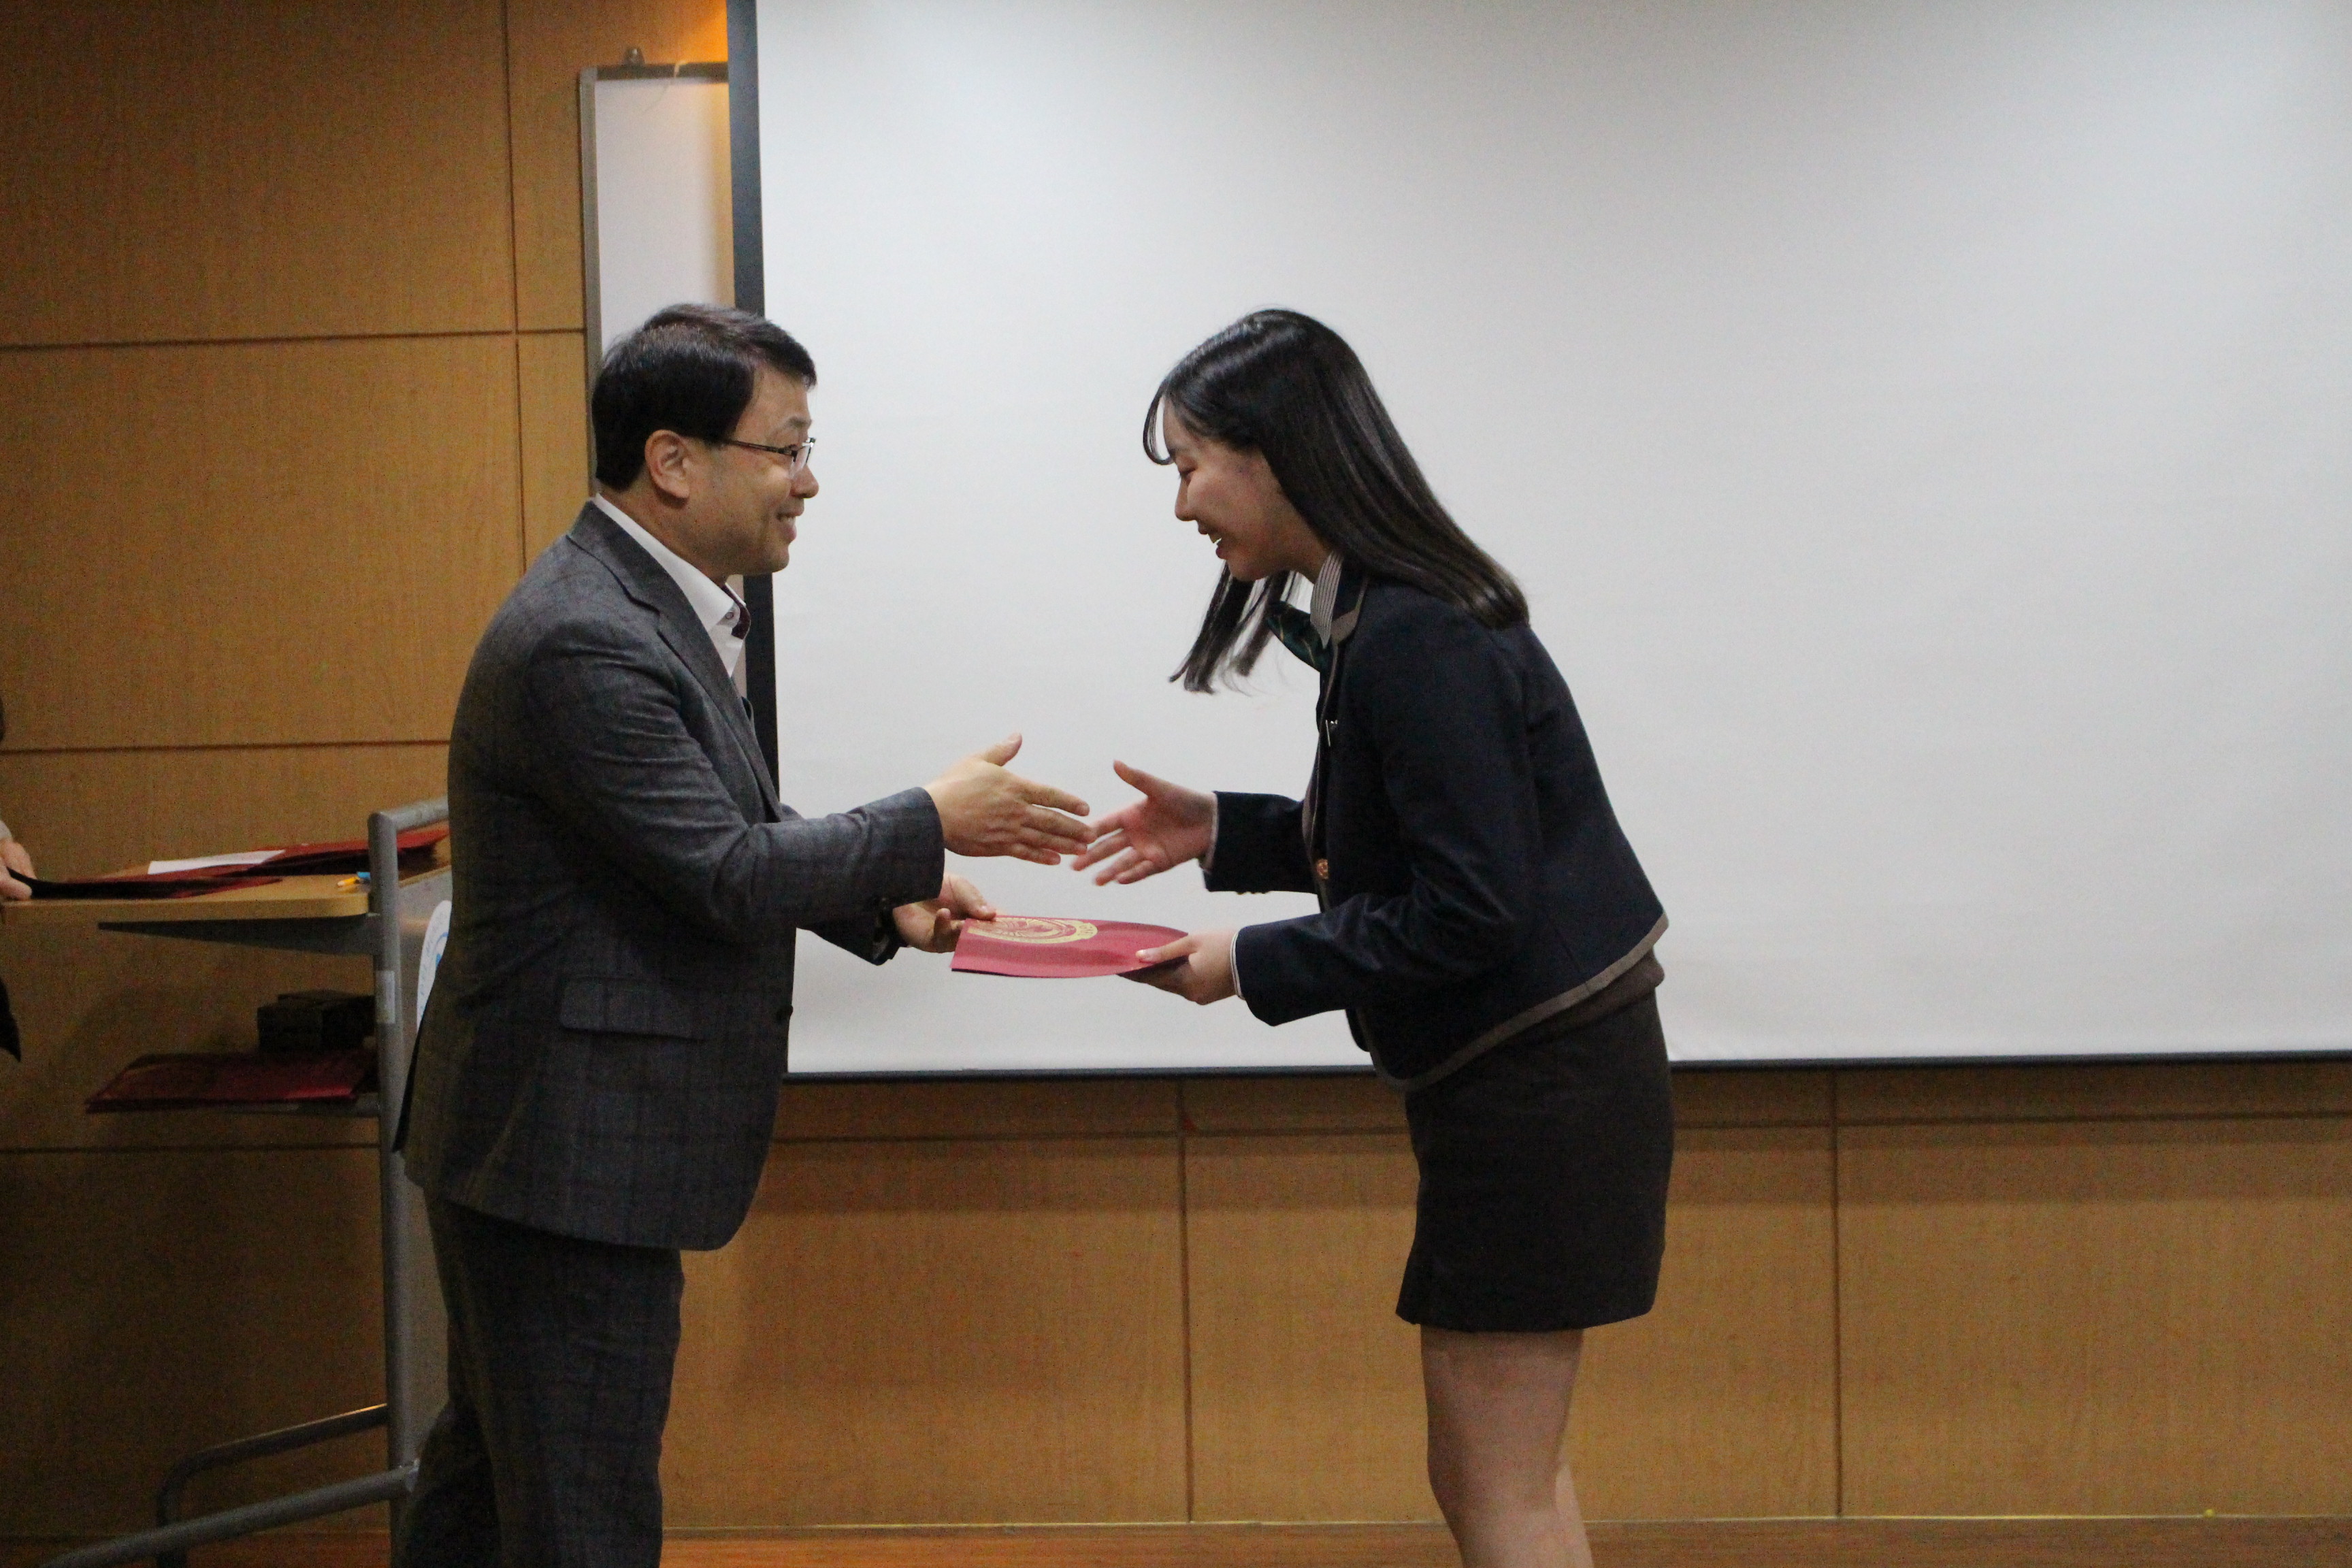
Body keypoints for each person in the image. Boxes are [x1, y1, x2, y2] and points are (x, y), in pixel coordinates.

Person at [395, 304, 1094, 1565]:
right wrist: (928, 820)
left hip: (550, 1145)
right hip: (559, 1156)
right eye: (787, 448)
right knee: (576, 1518)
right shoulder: (585, 635)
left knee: (498, 1497)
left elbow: (709, 839)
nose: (807, 481)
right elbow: (721, 871)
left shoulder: (646, 607)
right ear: (674, 461)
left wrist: (885, 899)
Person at [1075, 310, 1671, 1568]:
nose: (1182, 505)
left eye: (1191, 466)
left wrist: (1246, 965)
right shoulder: (1386, 614)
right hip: (1530, 1083)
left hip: (1538, 1089)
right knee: (1509, 1475)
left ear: (1276, 453)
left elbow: (1472, 910)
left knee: (1495, 1482)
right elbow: (1413, 844)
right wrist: (1225, 832)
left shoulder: (1415, 632)